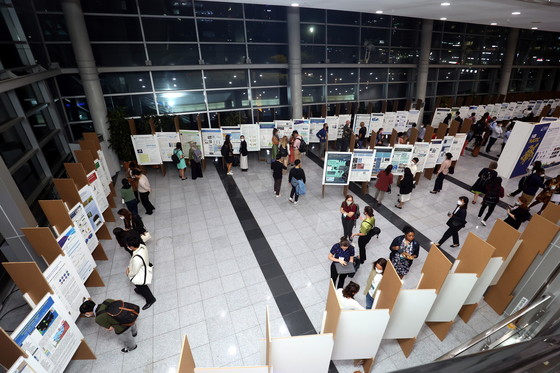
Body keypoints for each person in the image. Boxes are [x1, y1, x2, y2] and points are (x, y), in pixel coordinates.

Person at [126, 236, 156, 310]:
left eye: (128, 246)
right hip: (144, 265)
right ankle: (140, 290)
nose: (127, 247)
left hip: (140, 272)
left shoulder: (137, 259)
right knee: (140, 286)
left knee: (141, 285)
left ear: (132, 247)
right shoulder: (142, 246)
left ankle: (150, 299)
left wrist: (128, 273)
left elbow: (134, 271)